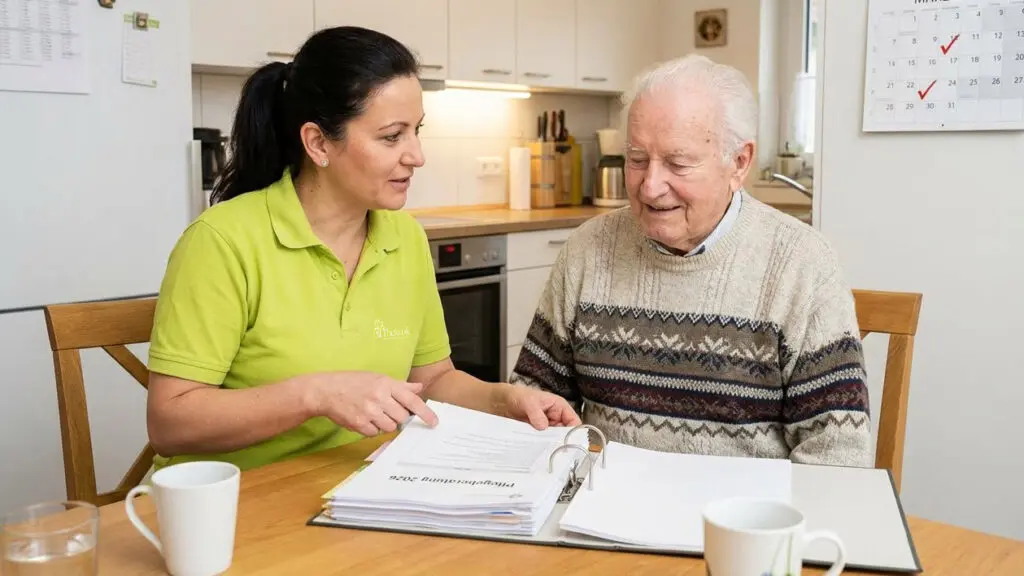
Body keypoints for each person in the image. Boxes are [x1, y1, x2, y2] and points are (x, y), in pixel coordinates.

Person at [146, 26, 580, 472]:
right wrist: (316, 394)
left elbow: (431, 380)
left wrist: (502, 398)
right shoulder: (223, 242)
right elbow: (170, 422)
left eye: (417, 131)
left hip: (355, 488)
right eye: (392, 136)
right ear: (318, 143)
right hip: (235, 504)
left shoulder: (405, 238)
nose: (416, 155)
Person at [509, 54, 871, 467]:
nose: (650, 186)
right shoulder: (587, 249)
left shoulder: (802, 263)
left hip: (735, 525)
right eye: (637, 159)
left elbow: (837, 456)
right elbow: (534, 406)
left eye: (678, 163)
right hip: (602, 514)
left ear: (739, 163)